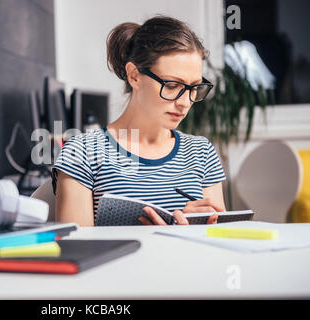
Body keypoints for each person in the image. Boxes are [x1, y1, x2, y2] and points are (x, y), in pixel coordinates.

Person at [51, 15, 226, 226]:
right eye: (172, 86)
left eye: (194, 88)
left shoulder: (201, 152)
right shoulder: (82, 152)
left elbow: (219, 244)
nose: (185, 102)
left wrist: (199, 231)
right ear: (134, 75)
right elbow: (77, 249)